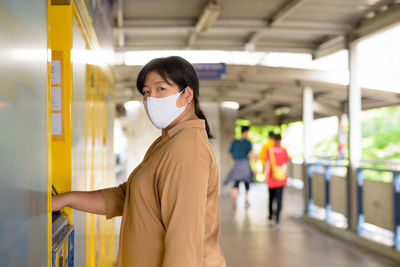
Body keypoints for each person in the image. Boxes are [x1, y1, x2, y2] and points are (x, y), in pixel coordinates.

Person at [52, 56, 226, 267]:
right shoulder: (167, 142)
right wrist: (66, 199)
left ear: (187, 94)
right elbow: (127, 197)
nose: (150, 99)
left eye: (160, 89)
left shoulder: (186, 150)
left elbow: (183, 241)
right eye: (146, 92)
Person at [224, 126, 257, 209]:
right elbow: (251, 154)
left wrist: (236, 158)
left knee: (236, 183)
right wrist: (256, 165)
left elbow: (230, 154)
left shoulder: (235, 142)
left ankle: (234, 198)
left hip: (237, 164)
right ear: (246, 132)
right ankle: (246, 200)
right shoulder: (248, 142)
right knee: (247, 183)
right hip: (245, 164)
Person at [263, 133, 290, 228]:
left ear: (273, 140)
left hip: (271, 179)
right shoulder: (284, 151)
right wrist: (285, 174)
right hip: (281, 179)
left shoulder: (269, 151)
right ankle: (277, 221)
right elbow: (286, 164)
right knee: (279, 200)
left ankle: (270, 217)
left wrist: (265, 176)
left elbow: (267, 164)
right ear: (281, 140)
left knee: (271, 198)